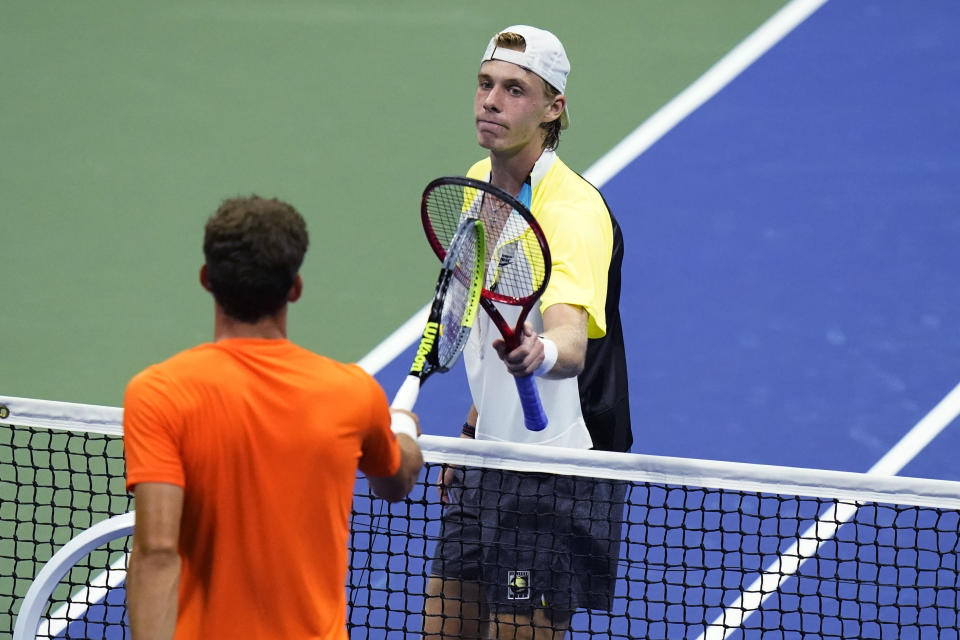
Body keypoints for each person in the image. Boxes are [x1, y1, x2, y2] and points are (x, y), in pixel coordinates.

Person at [123, 195, 423, 640]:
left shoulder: (158, 394)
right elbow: (395, 481)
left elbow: (157, 552)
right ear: (295, 288)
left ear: (206, 280)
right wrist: (403, 428)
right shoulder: (353, 393)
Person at [423, 25, 632, 640]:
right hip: (487, 452)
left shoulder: (573, 214)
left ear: (552, 107)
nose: (491, 101)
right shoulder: (476, 186)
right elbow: (491, 318)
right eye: (486, 84)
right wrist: (473, 422)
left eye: (515, 89)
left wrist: (539, 351)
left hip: (555, 469)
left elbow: (569, 342)